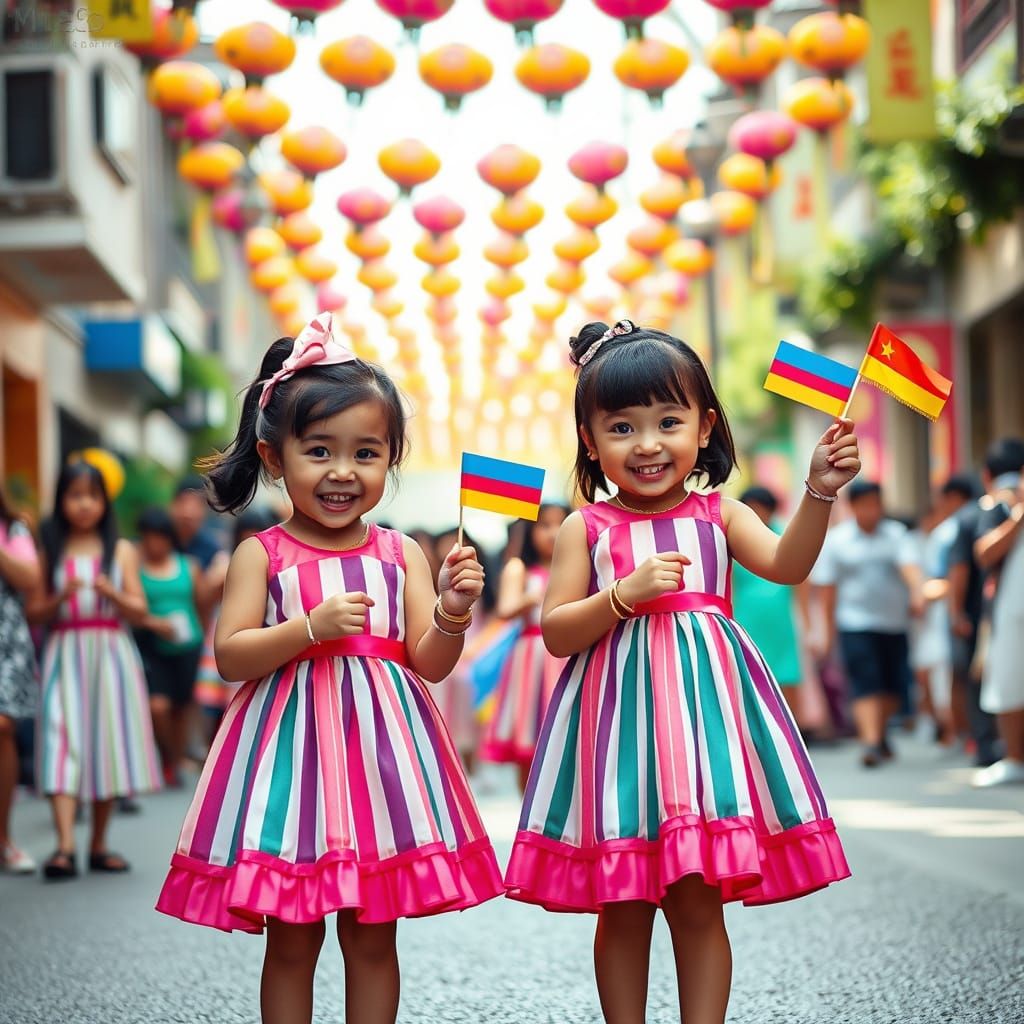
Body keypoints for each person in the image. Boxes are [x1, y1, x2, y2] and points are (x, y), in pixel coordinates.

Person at [504, 320, 856, 1024]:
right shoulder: (585, 528)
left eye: (669, 421)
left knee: (697, 902)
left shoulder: (721, 514)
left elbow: (788, 565)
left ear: (705, 427)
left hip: (702, 732)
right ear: (589, 440)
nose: (648, 444)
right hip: (617, 736)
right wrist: (620, 597)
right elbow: (557, 632)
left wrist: (819, 491)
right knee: (624, 903)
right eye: (622, 427)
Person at [155, 314, 503, 1024]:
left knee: (373, 937)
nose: (343, 472)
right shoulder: (262, 554)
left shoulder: (401, 553)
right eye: (319, 450)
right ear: (274, 456)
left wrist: (453, 609)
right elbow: (231, 654)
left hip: (379, 763)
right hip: (291, 762)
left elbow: (429, 663)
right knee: (292, 937)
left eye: (366, 453)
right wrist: (308, 629)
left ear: (390, 459)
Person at [27, 461, 161, 880]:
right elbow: (34, 611)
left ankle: (98, 844)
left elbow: (140, 610)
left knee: (108, 742)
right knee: (59, 738)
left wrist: (113, 594)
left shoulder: (120, 550)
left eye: (92, 495)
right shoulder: (50, 549)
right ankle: (65, 846)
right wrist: (58, 599)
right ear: (61, 501)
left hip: (111, 653)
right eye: (75, 495)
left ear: (104, 502)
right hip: (64, 650)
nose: (84, 504)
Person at [813, 480, 923, 767]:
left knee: (892, 686)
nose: (870, 511)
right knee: (865, 681)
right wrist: (826, 633)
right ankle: (871, 743)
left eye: (875, 504)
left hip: (893, 624)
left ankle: (879, 732)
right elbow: (827, 590)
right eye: (864, 505)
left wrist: (917, 593)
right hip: (854, 624)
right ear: (852, 506)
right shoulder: (838, 540)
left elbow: (910, 568)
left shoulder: (896, 535)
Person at [946, 438, 1024, 767]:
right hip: (988, 614)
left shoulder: (975, 511)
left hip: (991, 612)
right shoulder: (991, 509)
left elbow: (959, 568)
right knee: (990, 677)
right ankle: (993, 748)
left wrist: (955, 611)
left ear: (986, 474)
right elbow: (969, 561)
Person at [481, 504, 569, 793]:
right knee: (528, 735)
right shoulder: (519, 569)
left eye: (560, 524)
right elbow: (505, 609)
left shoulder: (574, 566)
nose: (553, 533)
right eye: (544, 525)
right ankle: (527, 808)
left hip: (567, 654)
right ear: (530, 530)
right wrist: (531, 598)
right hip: (531, 657)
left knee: (567, 735)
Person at [194, 507, 278, 748]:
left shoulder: (274, 562)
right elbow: (203, 597)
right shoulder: (225, 561)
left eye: (256, 533)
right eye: (246, 533)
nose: (250, 539)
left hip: (261, 635)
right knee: (215, 704)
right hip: (225, 632)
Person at [134, 507, 206, 787]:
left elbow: (201, 604)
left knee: (181, 706)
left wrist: (201, 637)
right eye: (149, 537)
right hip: (153, 647)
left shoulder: (189, 566)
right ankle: (164, 755)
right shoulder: (136, 568)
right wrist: (154, 624)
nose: (155, 544)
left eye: (160, 537)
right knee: (158, 707)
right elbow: (133, 608)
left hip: (188, 645)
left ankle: (175, 762)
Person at [910, 476, 975, 745]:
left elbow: (942, 579)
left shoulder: (949, 530)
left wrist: (930, 599)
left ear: (953, 498)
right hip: (970, 611)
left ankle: (959, 733)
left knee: (953, 676)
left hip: (952, 614)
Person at [730, 487, 804, 720]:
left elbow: (801, 580)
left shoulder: (785, 534)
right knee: (748, 670)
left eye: (761, 508)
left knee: (787, 670)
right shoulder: (732, 535)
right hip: (746, 615)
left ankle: (791, 726)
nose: (757, 513)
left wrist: (806, 620)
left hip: (780, 615)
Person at [973, 469, 1024, 787]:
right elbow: (984, 553)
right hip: (1010, 612)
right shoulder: (1002, 509)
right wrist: (1018, 518)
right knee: (1008, 681)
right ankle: (1014, 758)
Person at [0, 486, 41, 874]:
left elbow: (30, 578)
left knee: (3, 727)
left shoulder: (13, 528)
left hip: (6, 642)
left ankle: (4, 839)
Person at [169, 474, 223, 570]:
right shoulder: (159, 539)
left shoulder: (211, 550)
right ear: (173, 505)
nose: (188, 513)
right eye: (183, 502)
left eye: (196, 505)